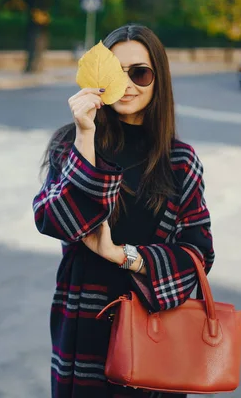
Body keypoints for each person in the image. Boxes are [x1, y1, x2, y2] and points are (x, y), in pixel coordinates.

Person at [32, 24, 215, 398]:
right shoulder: (71, 143)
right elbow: (54, 219)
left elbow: (198, 252)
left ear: (158, 81)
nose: (128, 84)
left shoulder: (179, 161)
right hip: (84, 324)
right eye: (116, 71)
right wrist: (86, 134)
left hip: (154, 328)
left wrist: (124, 256)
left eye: (141, 73)